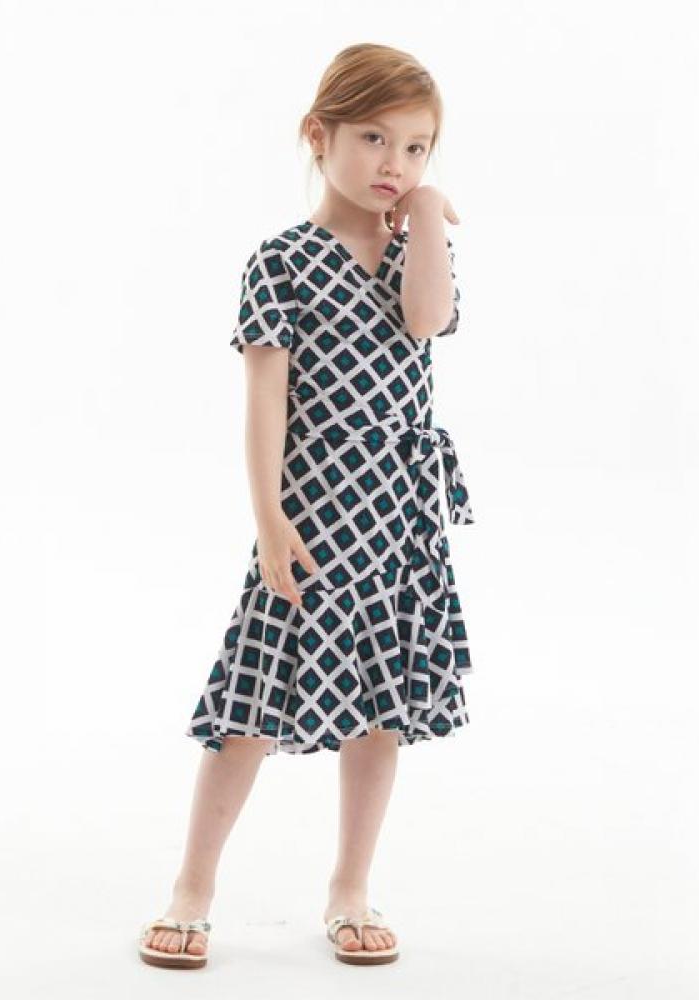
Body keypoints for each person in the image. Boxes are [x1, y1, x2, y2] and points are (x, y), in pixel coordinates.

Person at [139, 42, 476, 970]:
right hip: (313, 518)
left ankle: (350, 888)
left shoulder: (417, 249)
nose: (395, 164)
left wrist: (429, 216)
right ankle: (192, 887)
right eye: (374, 139)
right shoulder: (282, 262)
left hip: (399, 521)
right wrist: (269, 521)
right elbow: (265, 407)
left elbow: (426, 319)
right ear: (318, 136)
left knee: (381, 711)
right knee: (251, 704)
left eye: (417, 148)